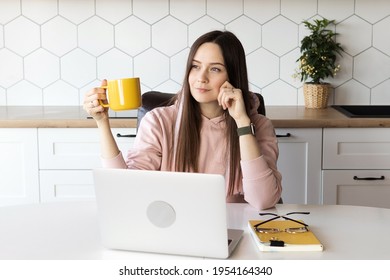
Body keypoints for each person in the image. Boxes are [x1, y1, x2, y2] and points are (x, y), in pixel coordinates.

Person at [84, 30, 282, 210]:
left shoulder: (259, 126)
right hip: (171, 228)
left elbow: (263, 200)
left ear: (233, 75)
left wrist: (242, 123)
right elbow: (124, 190)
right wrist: (102, 123)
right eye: (195, 66)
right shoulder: (158, 122)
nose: (201, 78)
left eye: (215, 69)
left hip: (233, 230)